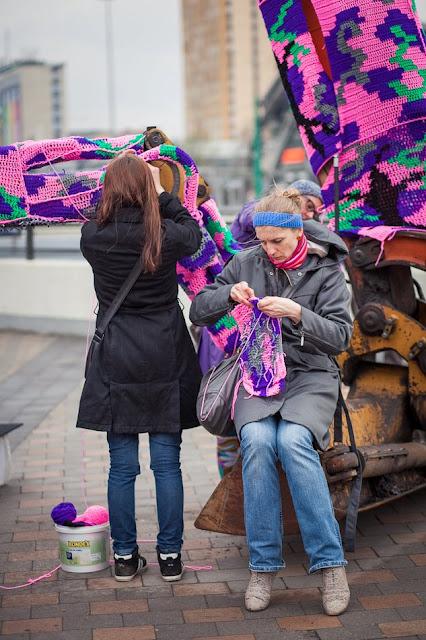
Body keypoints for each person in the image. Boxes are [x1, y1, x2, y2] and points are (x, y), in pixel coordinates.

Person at [190, 187, 352, 615]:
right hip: (258, 374)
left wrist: (298, 314)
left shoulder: (328, 268)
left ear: (298, 233)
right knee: (259, 442)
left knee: (294, 442)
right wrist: (227, 294)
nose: (268, 250)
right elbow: (199, 309)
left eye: (276, 241)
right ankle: (262, 568)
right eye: (261, 241)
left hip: (312, 375)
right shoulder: (248, 260)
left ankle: (331, 565)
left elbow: (341, 337)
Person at [77, 151, 202, 583]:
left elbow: (100, 216)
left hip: (117, 353)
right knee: (167, 463)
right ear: (148, 189)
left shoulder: (92, 236)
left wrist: (123, 186)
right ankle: (170, 557)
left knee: (122, 466)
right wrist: (163, 192)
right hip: (164, 349)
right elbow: (195, 233)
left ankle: (126, 558)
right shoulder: (165, 234)